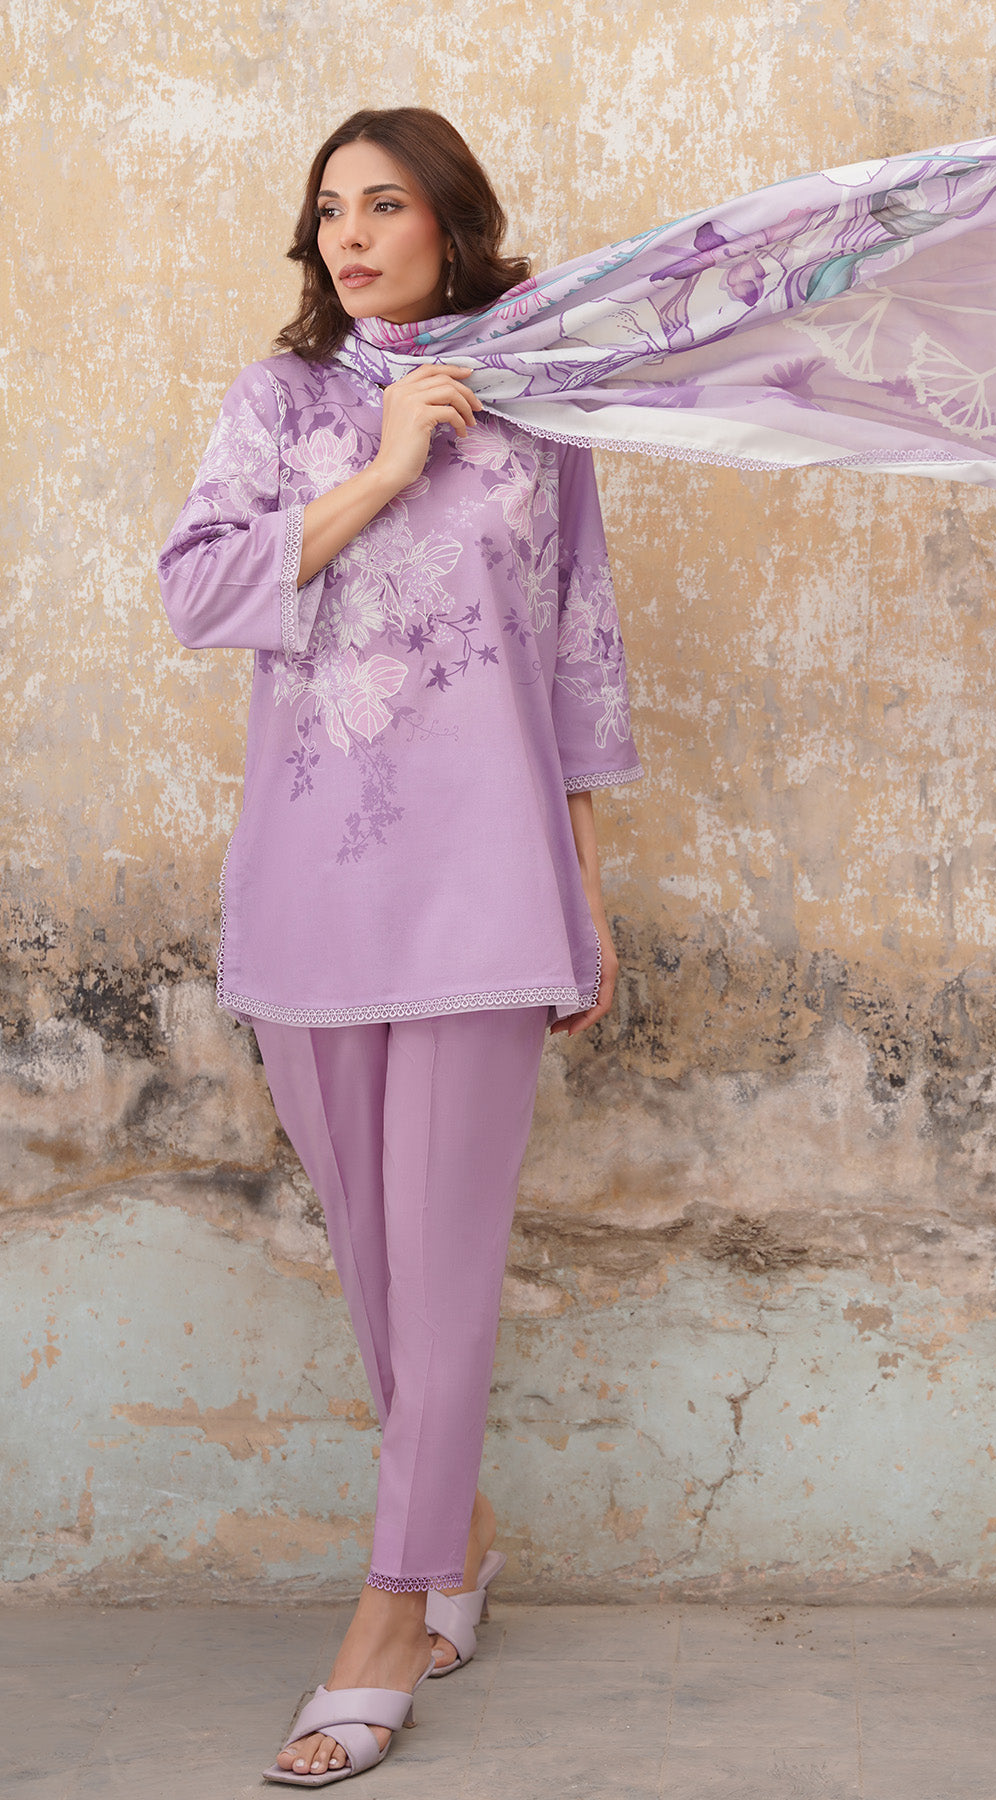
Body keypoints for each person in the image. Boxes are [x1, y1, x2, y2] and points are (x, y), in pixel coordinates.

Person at [157, 106, 643, 1786]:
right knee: (376, 1258)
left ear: (453, 225)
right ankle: (463, 1536)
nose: (352, 236)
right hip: (310, 884)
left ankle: (387, 1614)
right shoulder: (280, 403)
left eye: (385, 205)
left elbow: (578, 654)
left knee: (443, 1267)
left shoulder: (536, 419)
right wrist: (378, 466)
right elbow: (197, 595)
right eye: (329, 212)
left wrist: (587, 890)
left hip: (489, 887)